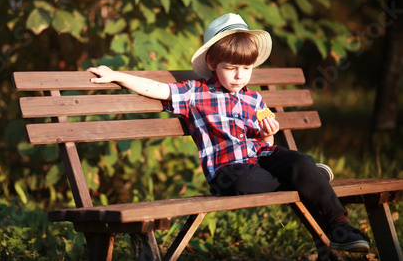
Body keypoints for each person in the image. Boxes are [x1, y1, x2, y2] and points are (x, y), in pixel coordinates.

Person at [88, 13, 370, 253]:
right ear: (212, 63)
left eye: (246, 68)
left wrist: (267, 133)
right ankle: (309, 177)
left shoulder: (255, 99)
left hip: (261, 158)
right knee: (252, 179)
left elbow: (265, 144)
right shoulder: (195, 93)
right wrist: (117, 75)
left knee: (299, 160)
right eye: (231, 68)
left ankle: (340, 227)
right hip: (228, 172)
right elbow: (157, 89)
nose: (239, 76)